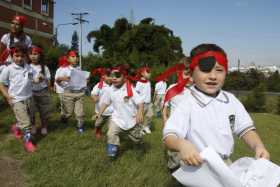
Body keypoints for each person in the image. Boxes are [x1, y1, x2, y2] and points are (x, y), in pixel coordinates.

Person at [163, 43, 270, 175]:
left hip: (226, 165)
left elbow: (246, 130)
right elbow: (169, 136)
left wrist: (258, 146)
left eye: (219, 70)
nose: (213, 76)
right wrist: (181, 145)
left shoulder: (231, 100)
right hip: (198, 167)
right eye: (205, 70)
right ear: (191, 75)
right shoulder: (187, 103)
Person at [97, 66, 144, 158]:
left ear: (124, 77)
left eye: (117, 76)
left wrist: (140, 112)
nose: (114, 78)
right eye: (112, 76)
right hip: (117, 119)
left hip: (131, 121)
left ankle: (139, 145)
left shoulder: (130, 89)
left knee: (137, 139)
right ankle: (112, 152)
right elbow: (105, 103)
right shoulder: (110, 90)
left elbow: (140, 102)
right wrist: (99, 113)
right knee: (111, 133)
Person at [0, 42, 36, 152]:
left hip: (29, 98)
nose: (20, 58)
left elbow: (33, 79)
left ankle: (16, 127)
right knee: (26, 123)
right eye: (17, 56)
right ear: (12, 55)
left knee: (29, 118)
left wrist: (38, 79)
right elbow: (1, 84)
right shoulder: (8, 69)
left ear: (26, 56)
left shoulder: (29, 67)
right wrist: (7, 96)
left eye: (22, 56)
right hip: (16, 99)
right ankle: (28, 142)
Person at [55, 50, 88, 133]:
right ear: (68, 59)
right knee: (68, 113)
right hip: (68, 93)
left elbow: (82, 81)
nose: (75, 58)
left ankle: (80, 127)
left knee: (80, 113)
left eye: (76, 57)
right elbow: (57, 80)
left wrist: (86, 80)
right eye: (73, 56)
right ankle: (64, 117)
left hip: (79, 93)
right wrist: (64, 78)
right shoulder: (64, 69)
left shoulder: (79, 68)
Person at [28, 45, 51, 135]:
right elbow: (26, 79)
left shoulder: (44, 68)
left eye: (35, 54)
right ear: (28, 55)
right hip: (31, 92)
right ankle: (33, 126)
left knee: (43, 111)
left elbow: (49, 81)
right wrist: (33, 80)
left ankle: (44, 126)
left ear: (40, 55)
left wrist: (44, 78)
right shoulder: (27, 67)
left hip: (43, 92)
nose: (33, 56)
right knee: (31, 111)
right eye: (31, 54)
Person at [91, 67, 113, 139]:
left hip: (112, 111)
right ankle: (98, 130)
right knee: (98, 124)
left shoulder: (115, 85)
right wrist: (95, 97)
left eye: (112, 76)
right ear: (103, 76)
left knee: (112, 128)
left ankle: (111, 139)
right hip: (100, 112)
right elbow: (93, 93)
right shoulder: (99, 86)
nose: (111, 78)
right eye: (109, 76)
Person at [134, 66, 153, 134]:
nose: (150, 73)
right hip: (142, 104)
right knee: (141, 116)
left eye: (150, 72)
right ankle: (140, 128)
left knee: (150, 115)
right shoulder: (139, 83)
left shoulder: (148, 82)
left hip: (149, 103)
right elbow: (136, 94)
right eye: (148, 72)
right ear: (142, 73)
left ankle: (146, 127)